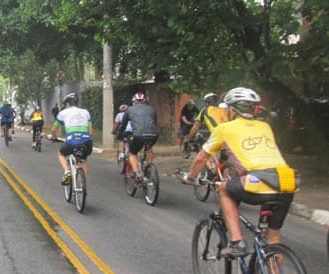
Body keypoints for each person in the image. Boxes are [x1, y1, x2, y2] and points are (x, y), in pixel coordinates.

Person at [182, 87, 299, 257]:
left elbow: (201, 158)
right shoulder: (265, 126)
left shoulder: (224, 129)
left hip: (259, 181)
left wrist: (191, 178)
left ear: (232, 110)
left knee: (223, 188)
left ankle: (236, 242)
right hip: (286, 182)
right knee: (273, 236)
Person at [51, 92, 93, 184]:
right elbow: (90, 132)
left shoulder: (62, 113)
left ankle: (67, 172)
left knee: (61, 154)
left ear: (67, 104)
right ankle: (82, 184)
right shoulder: (86, 112)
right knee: (84, 159)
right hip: (86, 141)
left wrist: (54, 137)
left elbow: (53, 129)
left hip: (72, 140)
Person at [119, 92, 158, 180]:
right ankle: (149, 167)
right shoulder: (152, 109)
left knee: (132, 153)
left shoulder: (130, 110)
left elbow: (123, 125)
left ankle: (137, 174)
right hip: (153, 135)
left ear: (133, 102)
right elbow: (155, 123)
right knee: (149, 148)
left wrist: (120, 135)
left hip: (138, 135)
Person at [186, 92, 229, 168]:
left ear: (207, 102)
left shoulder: (204, 110)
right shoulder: (223, 110)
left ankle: (211, 170)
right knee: (224, 160)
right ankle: (223, 172)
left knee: (203, 151)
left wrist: (189, 138)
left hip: (217, 135)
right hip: (229, 136)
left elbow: (195, 127)